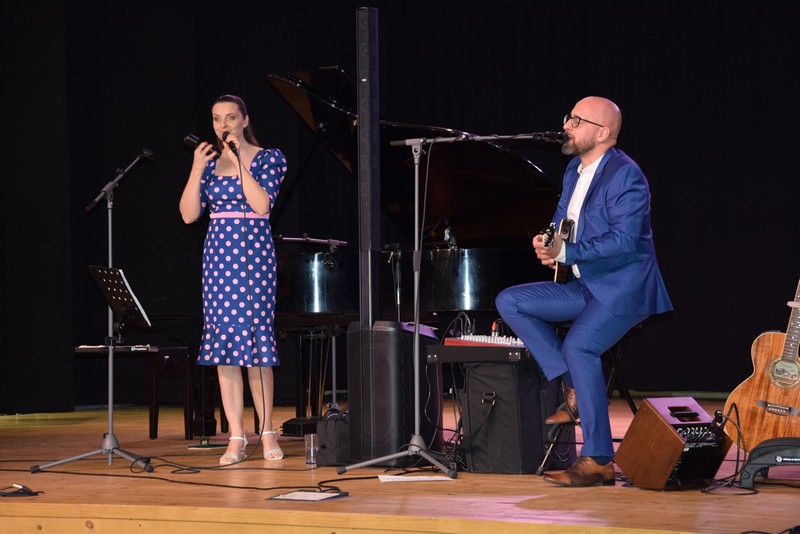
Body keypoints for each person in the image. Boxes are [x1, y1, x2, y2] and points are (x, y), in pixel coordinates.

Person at [495, 96, 672, 487]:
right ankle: (572, 386)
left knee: (580, 346)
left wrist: (569, 252)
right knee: (511, 301)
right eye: (568, 118)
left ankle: (599, 460)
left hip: (624, 289)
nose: (566, 126)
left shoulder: (626, 175)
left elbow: (625, 240)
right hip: (585, 284)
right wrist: (548, 243)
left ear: (603, 132)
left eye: (576, 121)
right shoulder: (574, 170)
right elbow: (561, 220)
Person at [179, 94, 288, 464]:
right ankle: (236, 436)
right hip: (218, 260)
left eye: (229, 117)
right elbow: (188, 216)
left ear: (244, 120)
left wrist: (240, 160)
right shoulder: (210, 165)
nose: (222, 125)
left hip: (254, 257)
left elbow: (261, 204)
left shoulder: (269, 158)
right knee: (224, 349)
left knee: (257, 348)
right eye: (216, 118)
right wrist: (197, 168)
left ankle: (267, 431)